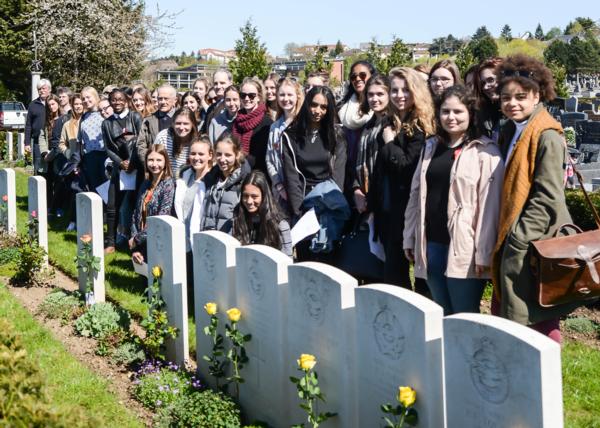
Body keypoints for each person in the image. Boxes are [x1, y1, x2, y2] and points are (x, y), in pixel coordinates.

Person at [492, 55, 579, 343]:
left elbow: (548, 196)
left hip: (533, 243)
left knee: (539, 320)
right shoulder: (511, 130)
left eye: (520, 96)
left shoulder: (546, 134)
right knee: (513, 318)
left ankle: (546, 380)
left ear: (537, 95)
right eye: (506, 97)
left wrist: (518, 238)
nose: (512, 103)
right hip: (513, 237)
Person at [403, 85, 504, 315]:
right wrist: (409, 237)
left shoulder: (485, 152)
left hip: (465, 247)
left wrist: (484, 253)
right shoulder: (431, 147)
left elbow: (490, 208)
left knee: (465, 316)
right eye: (446, 111)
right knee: (443, 313)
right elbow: (415, 195)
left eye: (458, 112)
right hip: (433, 244)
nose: (451, 117)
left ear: (470, 113)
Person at [369, 67, 435, 291]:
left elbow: (407, 167)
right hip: (388, 210)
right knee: (394, 277)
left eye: (405, 89)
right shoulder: (390, 122)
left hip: (411, 211)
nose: (399, 95)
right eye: (395, 90)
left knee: (422, 279)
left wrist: (389, 144)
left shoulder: (421, 126)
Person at [282, 85, 348, 259]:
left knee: (329, 261)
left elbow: (338, 175)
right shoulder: (291, 136)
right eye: (314, 104)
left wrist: (329, 206)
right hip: (303, 206)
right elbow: (291, 176)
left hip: (329, 204)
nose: (317, 111)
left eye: (323, 107)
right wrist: (300, 212)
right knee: (306, 262)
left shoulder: (337, 136)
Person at [102, 88, 143, 253]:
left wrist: (132, 162)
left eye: (120, 99)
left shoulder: (135, 117)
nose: (117, 102)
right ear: (110, 101)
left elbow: (142, 140)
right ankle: (111, 242)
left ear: (126, 100)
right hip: (119, 168)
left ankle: (136, 242)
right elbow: (108, 149)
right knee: (112, 205)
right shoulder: (106, 123)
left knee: (134, 205)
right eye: (113, 99)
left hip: (136, 167)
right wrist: (121, 163)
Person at [129, 144, 175, 265]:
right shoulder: (145, 183)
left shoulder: (168, 185)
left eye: (159, 160)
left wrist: (137, 239)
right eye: (151, 160)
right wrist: (135, 246)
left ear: (166, 161)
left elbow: (162, 217)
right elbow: (136, 214)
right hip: (143, 243)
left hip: (159, 242)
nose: (154, 164)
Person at [353, 74, 391, 214]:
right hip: (367, 196)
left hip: (386, 197)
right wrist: (357, 189)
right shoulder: (368, 126)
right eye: (370, 94)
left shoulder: (393, 124)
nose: (374, 99)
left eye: (380, 94)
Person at [233, 170, 293, 257]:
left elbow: (287, 259)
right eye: (245, 196)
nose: (249, 201)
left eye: (254, 196)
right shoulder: (237, 217)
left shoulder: (280, 224)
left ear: (264, 196)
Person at [266, 78, 304, 214]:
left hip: (301, 190)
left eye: (289, 94)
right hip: (280, 192)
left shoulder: (304, 125)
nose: (285, 98)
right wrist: (278, 185)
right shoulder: (274, 127)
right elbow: (269, 159)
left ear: (297, 96)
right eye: (282, 95)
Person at [338, 60, 376, 196]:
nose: (358, 79)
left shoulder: (378, 110)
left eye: (362, 75)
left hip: (371, 174)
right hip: (347, 172)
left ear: (372, 76)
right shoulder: (343, 109)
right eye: (353, 76)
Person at [201, 132, 250, 233]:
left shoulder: (244, 181)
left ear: (237, 154)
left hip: (231, 241)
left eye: (228, 155)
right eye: (219, 154)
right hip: (207, 239)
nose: (222, 159)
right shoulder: (210, 178)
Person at [174, 137, 213, 251]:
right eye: (193, 154)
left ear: (210, 155)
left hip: (202, 240)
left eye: (201, 154)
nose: (196, 158)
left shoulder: (212, 181)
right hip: (184, 238)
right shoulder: (184, 178)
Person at [232, 77, 272, 176]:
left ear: (258, 97)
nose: (246, 99)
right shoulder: (237, 120)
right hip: (236, 172)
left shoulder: (267, 123)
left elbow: (261, 157)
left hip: (257, 175)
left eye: (251, 96)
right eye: (243, 95)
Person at [58, 94, 85, 231]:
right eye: (76, 104)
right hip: (74, 163)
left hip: (87, 162)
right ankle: (73, 220)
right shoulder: (67, 125)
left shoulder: (88, 121)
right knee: (75, 191)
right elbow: (61, 144)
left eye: (81, 103)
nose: (79, 106)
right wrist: (69, 155)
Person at [137, 84, 177, 171]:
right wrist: (150, 162)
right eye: (160, 98)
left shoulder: (182, 118)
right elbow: (141, 145)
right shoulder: (149, 120)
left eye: (166, 99)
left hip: (177, 167)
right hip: (155, 169)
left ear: (175, 100)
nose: (162, 102)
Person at [154, 107, 198, 178]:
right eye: (178, 123)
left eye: (186, 124)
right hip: (166, 181)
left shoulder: (198, 142)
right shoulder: (163, 137)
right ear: (173, 123)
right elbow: (155, 161)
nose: (181, 127)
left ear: (192, 125)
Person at [78, 87, 107, 192]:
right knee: (95, 187)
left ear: (95, 97)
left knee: (106, 186)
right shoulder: (84, 116)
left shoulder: (104, 113)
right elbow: (81, 139)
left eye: (88, 97)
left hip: (104, 154)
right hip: (90, 157)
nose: (86, 100)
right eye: (83, 98)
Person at [474, 57, 504, 141]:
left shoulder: (519, 113)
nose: (485, 87)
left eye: (491, 80)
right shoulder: (484, 115)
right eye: (483, 83)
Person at [25, 78, 51, 172]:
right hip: (37, 142)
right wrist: (27, 143)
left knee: (52, 168)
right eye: (39, 89)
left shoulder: (53, 103)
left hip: (52, 140)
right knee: (39, 168)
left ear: (49, 89)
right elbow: (28, 125)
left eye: (44, 88)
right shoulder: (33, 105)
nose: (42, 91)